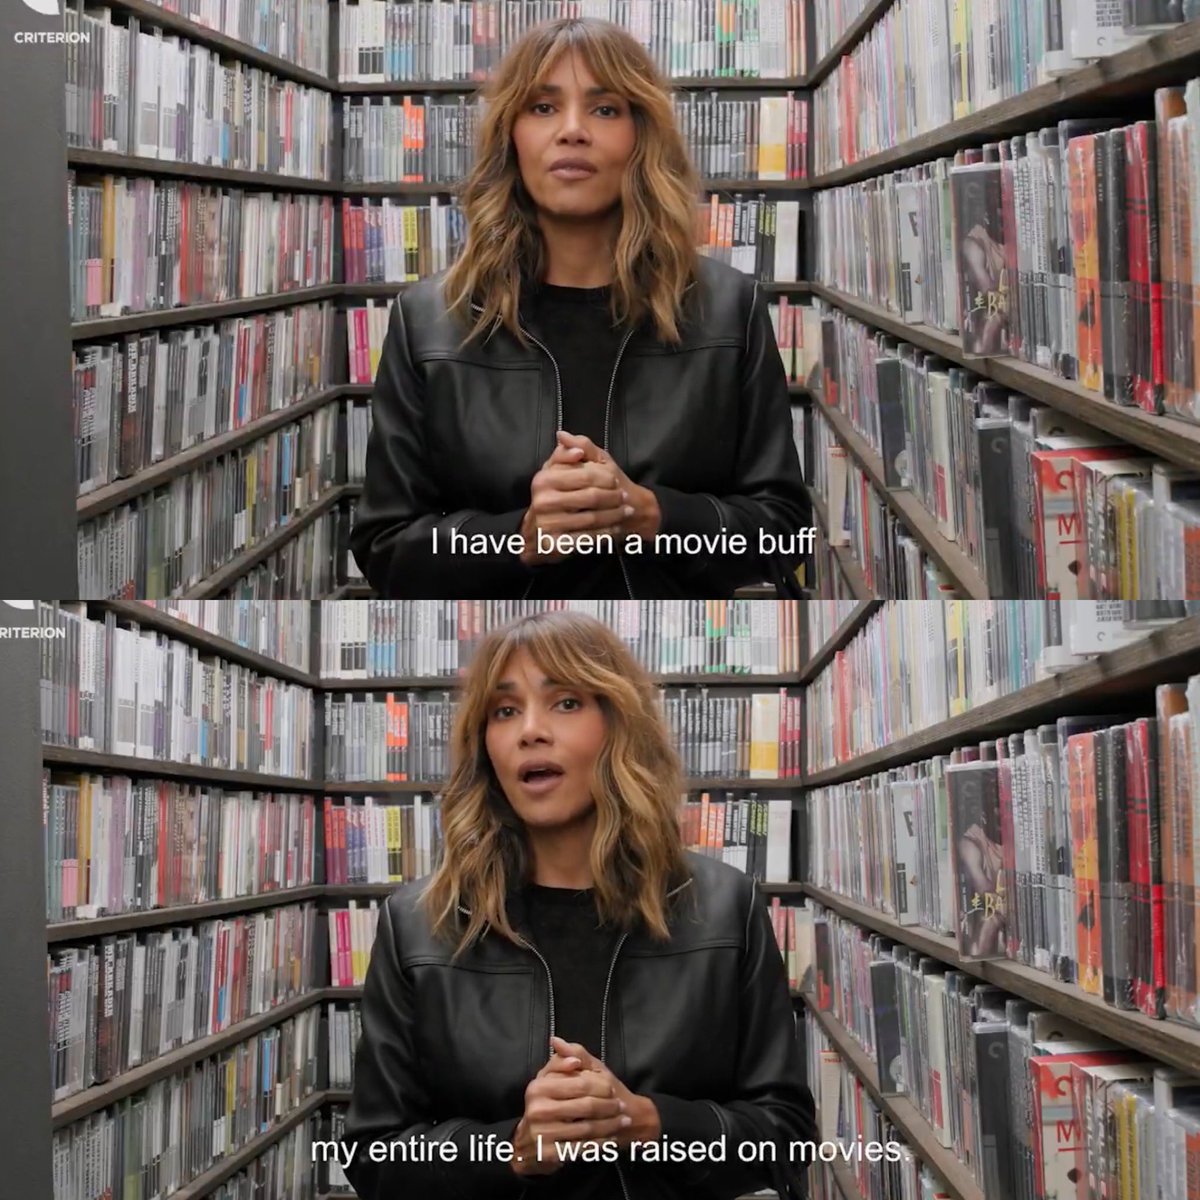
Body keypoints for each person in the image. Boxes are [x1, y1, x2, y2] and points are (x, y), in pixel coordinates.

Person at [342, 611, 818, 1199]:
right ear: (484, 744)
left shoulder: (726, 907)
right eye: (504, 710)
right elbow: (373, 1156)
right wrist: (510, 1150)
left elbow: (788, 1139)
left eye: (566, 702)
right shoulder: (416, 923)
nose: (529, 732)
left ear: (619, 726)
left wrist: (650, 1123)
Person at [348, 18, 811, 599]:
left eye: (606, 109)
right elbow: (385, 549)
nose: (572, 131)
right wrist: (519, 538)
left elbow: (785, 539)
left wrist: (653, 518)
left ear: (642, 136)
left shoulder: (729, 308)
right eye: (542, 108)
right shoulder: (427, 320)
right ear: (510, 136)